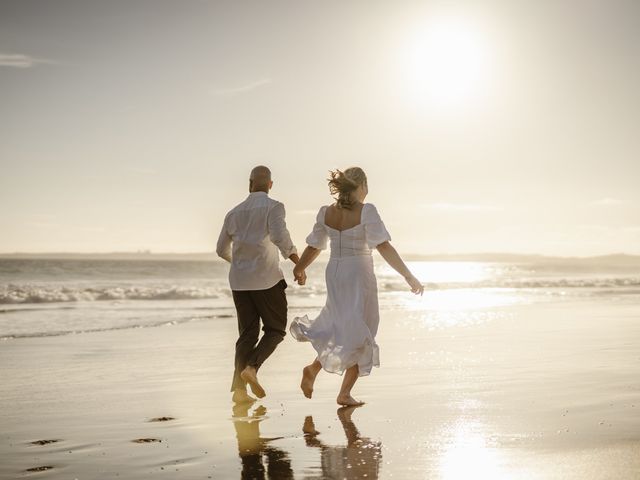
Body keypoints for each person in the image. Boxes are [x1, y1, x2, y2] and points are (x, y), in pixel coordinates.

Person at [290, 167, 423, 406]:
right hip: (358, 273)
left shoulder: (325, 212)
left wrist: (300, 268)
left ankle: (317, 372)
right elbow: (383, 247)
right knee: (363, 330)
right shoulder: (367, 211)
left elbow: (314, 247)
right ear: (361, 186)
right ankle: (341, 390)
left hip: (335, 271)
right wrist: (408, 275)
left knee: (341, 326)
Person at [217, 166, 303, 404]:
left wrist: (240, 264)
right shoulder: (274, 206)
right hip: (266, 280)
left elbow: (220, 250)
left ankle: (239, 391)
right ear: (270, 185)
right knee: (275, 330)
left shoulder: (233, 213)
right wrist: (298, 263)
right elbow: (279, 237)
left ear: (250, 183)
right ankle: (252, 368)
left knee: (246, 335)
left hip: (239, 282)